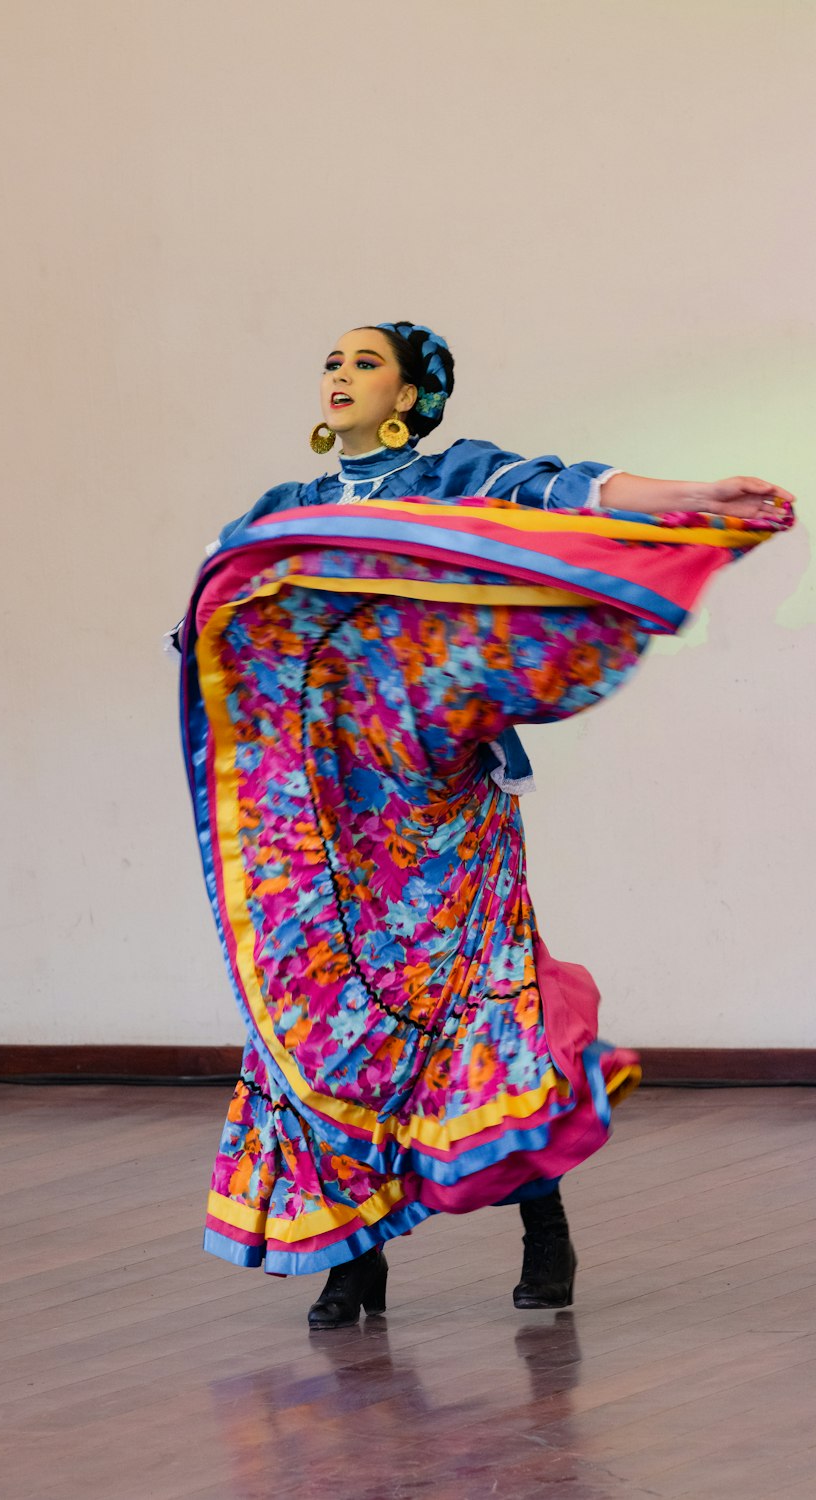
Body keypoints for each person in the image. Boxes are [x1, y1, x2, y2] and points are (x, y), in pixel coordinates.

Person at [177, 321, 793, 1331]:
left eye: (364, 362)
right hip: (329, 824)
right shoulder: (282, 517)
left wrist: (689, 496)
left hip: (442, 809)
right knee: (327, 1022)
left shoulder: (456, 475)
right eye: (331, 362)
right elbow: (218, 622)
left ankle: (542, 1227)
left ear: (411, 396)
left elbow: (570, 491)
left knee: (479, 1010)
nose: (339, 375)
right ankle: (353, 1251)